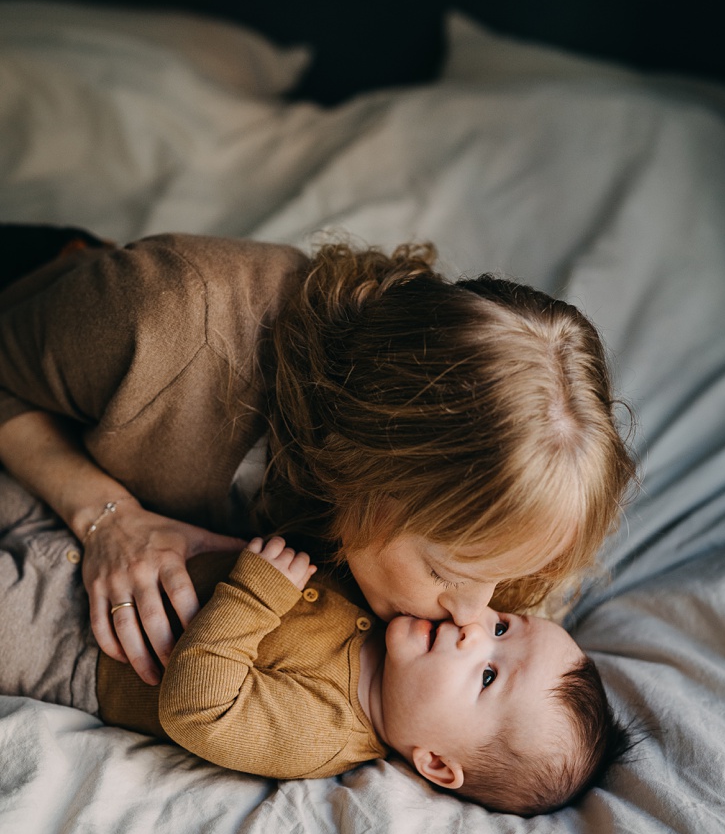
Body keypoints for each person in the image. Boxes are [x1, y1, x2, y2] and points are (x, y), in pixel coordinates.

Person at [0, 228, 635, 689]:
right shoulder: (161, 318)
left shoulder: (518, 497)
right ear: (368, 471)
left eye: (492, 580)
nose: (475, 614)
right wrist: (105, 517)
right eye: (445, 576)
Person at [0, 467, 622, 816]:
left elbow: (199, 709)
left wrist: (254, 597)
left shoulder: (323, 731)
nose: (475, 629)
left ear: (434, 760)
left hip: (69, 641)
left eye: (488, 675)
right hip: (115, 539)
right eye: (505, 628)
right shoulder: (394, 613)